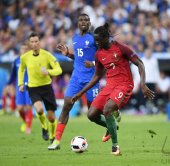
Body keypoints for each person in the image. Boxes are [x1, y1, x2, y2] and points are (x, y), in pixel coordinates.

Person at [71, 23, 155, 155]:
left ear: (106, 38)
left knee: (107, 109)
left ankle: (115, 146)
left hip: (124, 84)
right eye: (95, 40)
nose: (96, 43)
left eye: (98, 40)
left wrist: (143, 84)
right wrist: (80, 93)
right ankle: (112, 126)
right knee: (91, 114)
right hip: (110, 85)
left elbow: (140, 64)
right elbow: (97, 76)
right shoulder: (98, 54)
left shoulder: (121, 48)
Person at [48, 13, 100, 150]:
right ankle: (56, 140)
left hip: (91, 79)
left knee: (93, 114)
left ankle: (111, 122)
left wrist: (94, 63)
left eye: (86, 20)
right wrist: (68, 54)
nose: (83, 22)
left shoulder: (95, 38)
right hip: (76, 78)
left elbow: (104, 58)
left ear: (89, 23)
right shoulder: (75, 39)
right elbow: (79, 59)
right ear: (78, 23)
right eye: (81, 20)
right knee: (66, 105)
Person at [18, 32, 62, 143]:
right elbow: (21, 69)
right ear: (29, 43)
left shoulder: (47, 55)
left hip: (47, 88)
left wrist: (48, 71)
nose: (34, 44)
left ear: (40, 42)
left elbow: (59, 70)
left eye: (36, 41)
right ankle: (44, 127)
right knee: (40, 109)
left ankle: (52, 136)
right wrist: (21, 83)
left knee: (51, 117)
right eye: (32, 42)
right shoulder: (25, 57)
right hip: (33, 88)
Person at [8, 43, 33, 134]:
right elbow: (13, 74)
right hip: (20, 87)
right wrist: (9, 83)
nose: (24, 50)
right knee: (19, 108)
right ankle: (25, 121)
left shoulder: (31, 60)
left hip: (30, 86)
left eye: (26, 49)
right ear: (20, 50)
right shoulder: (16, 61)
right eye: (22, 49)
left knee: (28, 107)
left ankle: (28, 128)